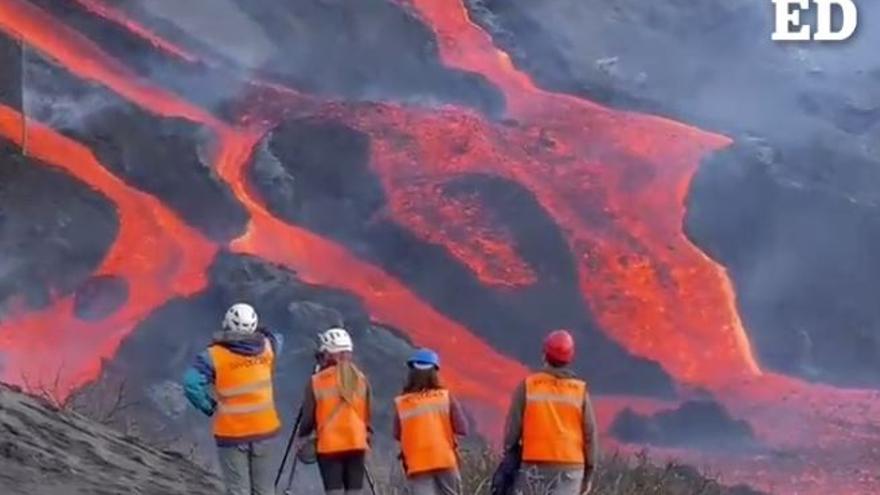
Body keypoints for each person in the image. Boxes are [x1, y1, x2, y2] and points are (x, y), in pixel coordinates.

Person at [182, 303, 284, 495]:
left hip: (232, 434)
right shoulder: (267, 348)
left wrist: (207, 405)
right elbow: (278, 338)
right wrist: (261, 330)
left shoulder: (213, 356)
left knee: (238, 490)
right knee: (264, 491)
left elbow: (190, 383)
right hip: (265, 430)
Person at [502, 329, 598, 495]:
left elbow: (512, 430)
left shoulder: (528, 386)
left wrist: (510, 456)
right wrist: (588, 473)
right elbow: (590, 435)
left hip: (534, 465)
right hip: (571, 468)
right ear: (570, 358)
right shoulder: (580, 392)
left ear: (544, 354)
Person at [297, 327, 372, 495]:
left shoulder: (317, 381)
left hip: (330, 445)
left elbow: (308, 417)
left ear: (328, 353)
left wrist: (302, 436)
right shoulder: (361, 378)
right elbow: (367, 412)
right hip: (356, 442)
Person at [394, 348, 469, 495]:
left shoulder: (401, 403)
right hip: (445, 460)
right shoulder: (446, 397)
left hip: (417, 464)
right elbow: (462, 428)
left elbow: (397, 434)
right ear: (435, 373)